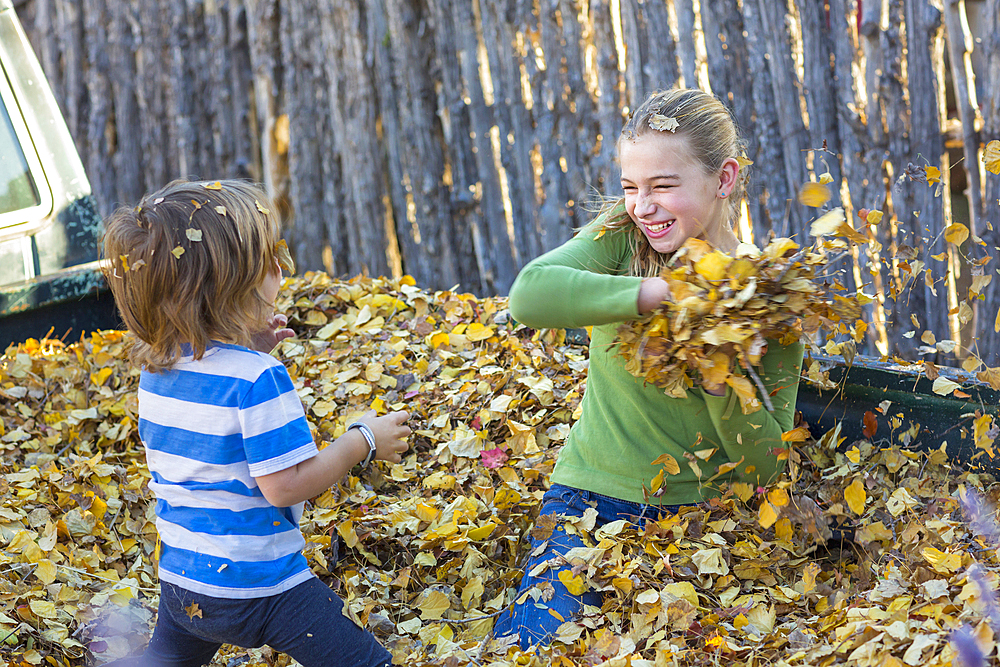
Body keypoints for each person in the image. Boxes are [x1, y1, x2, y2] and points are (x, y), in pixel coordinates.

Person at [492, 88, 804, 647]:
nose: (642, 204)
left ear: (724, 178)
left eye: (662, 186)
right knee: (529, 651)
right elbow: (529, 295)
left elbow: (764, 468)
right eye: (631, 187)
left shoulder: (768, 298)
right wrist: (663, 293)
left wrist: (722, 374)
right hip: (584, 503)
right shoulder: (623, 237)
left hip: (700, 527)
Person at [102, 179, 410, 667]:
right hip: (262, 587)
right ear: (231, 283)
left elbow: (210, 440)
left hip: (184, 581)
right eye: (270, 257)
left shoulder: (158, 370)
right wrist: (363, 440)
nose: (279, 268)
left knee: (160, 662)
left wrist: (247, 348)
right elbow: (286, 486)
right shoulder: (258, 379)